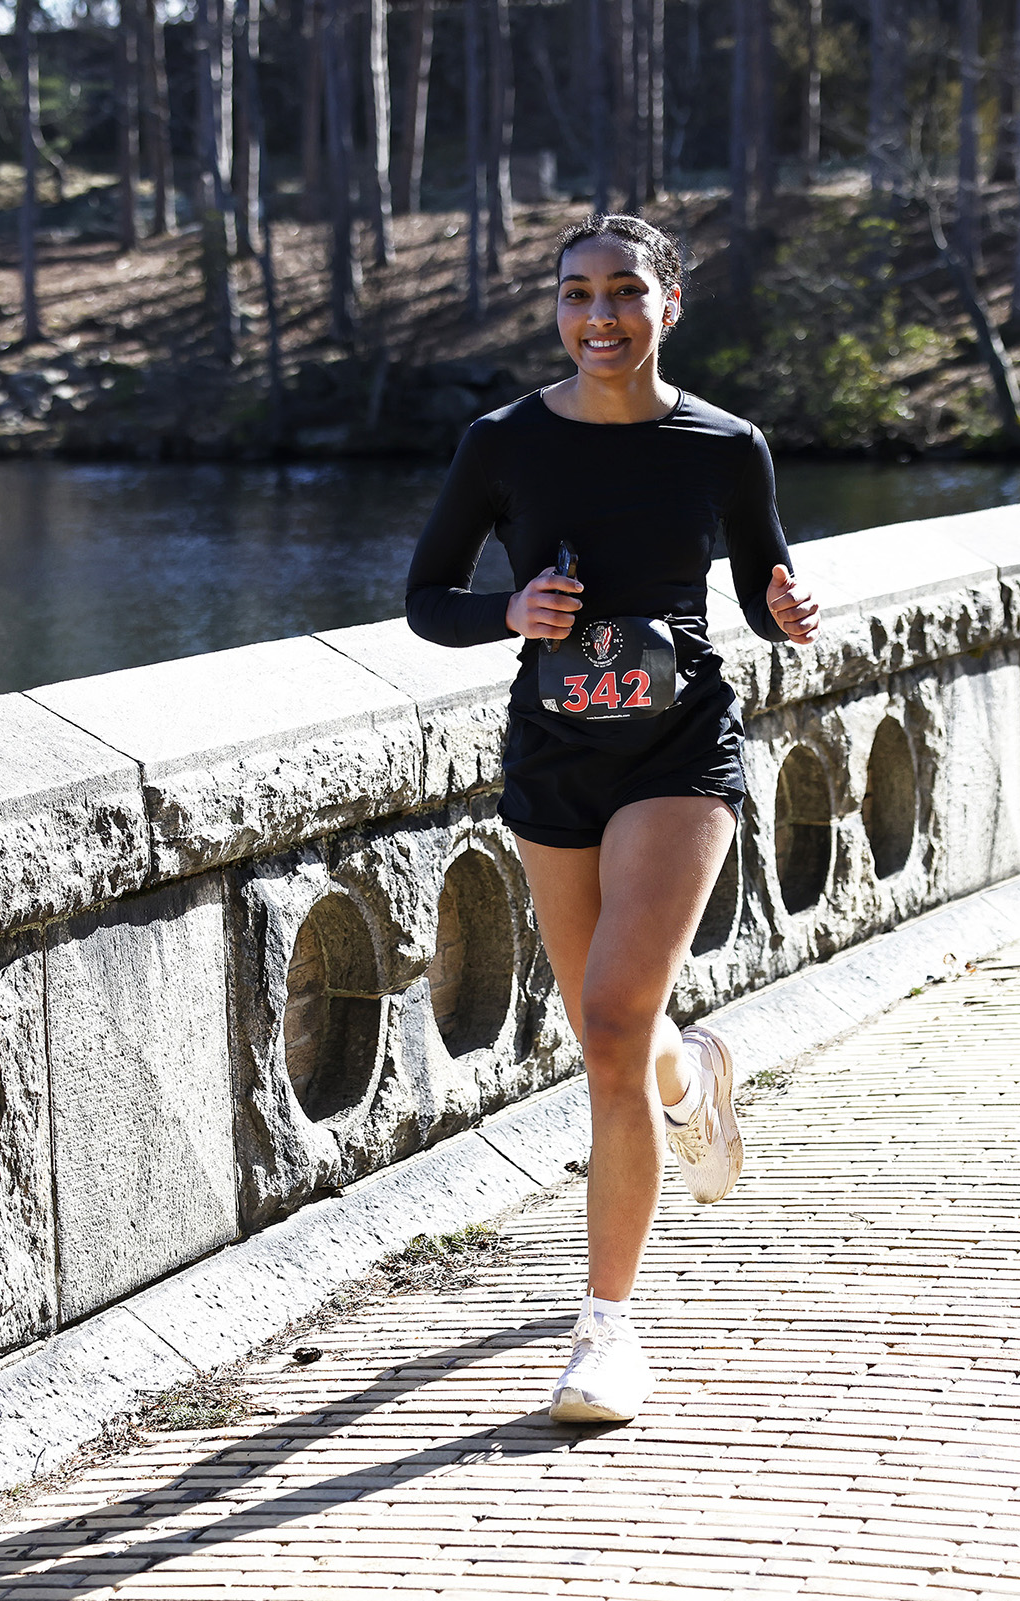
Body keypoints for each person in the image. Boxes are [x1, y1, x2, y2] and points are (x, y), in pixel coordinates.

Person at [404, 214, 821, 1424]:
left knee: (608, 1012)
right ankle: (694, 1082)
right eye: (577, 293)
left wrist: (787, 607)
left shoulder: (724, 445)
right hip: (554, 756)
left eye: (625, 292)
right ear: (557, 310)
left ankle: (608, 1331)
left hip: (678, 749)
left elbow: (759, 581)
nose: (601, 315)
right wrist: (509, 610)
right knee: (622, 1037)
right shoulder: (503, 443)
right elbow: (427, 597)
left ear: (669, 303)